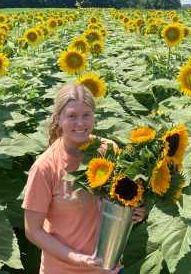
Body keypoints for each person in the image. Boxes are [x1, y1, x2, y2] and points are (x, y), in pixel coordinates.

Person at [23, 83, 146, 273]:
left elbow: (123, 199)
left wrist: (136, 211)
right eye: (72, 116)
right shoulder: (45, 167)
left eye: (86, 115)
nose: (80, 123)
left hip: (109, 267)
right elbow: (33, 230)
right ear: (58, 119)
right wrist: (77, 258)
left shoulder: (109, 150)